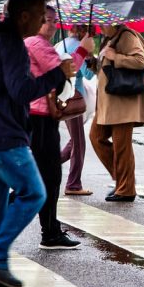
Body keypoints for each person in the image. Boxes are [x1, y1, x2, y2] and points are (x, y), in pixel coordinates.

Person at [0, 0, 83, 287]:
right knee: (34, 193)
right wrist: (58, 74)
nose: (43, 22)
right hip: (6, 134)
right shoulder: (12, 45)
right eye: (39, 16)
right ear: (22, 16)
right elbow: (21, 92)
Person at [26, 6, 93, 249]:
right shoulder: (37, 43)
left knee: (47, 175)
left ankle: (51, 230)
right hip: (40, 117)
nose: (53, 25)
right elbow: (65, 73)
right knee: (49, 176)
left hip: (42, 117)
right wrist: (83, 49)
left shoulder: (36, 43)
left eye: (54, 21)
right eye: (47, 21)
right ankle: (49, 232)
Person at [90, 23, 144, 202]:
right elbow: (105, 69)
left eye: (103, 23)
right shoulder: (108, 38)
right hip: (109, 101)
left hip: (123, 100)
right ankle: (124, 179)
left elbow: (140, 61)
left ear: (114, 21)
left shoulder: (127, 36)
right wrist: (93, 62)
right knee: (96, 137)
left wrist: (116, 56)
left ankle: (126, 189)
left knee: (121, 146)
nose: (99, 26)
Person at [58, 25, 95, 197]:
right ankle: (73, 184)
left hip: (63, 97)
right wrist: (90, 57)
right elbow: (86, 74)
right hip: (73, 98)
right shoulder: (76, 47)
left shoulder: (62, 43)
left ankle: (49, 163)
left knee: (74, 141)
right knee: (79, 143)